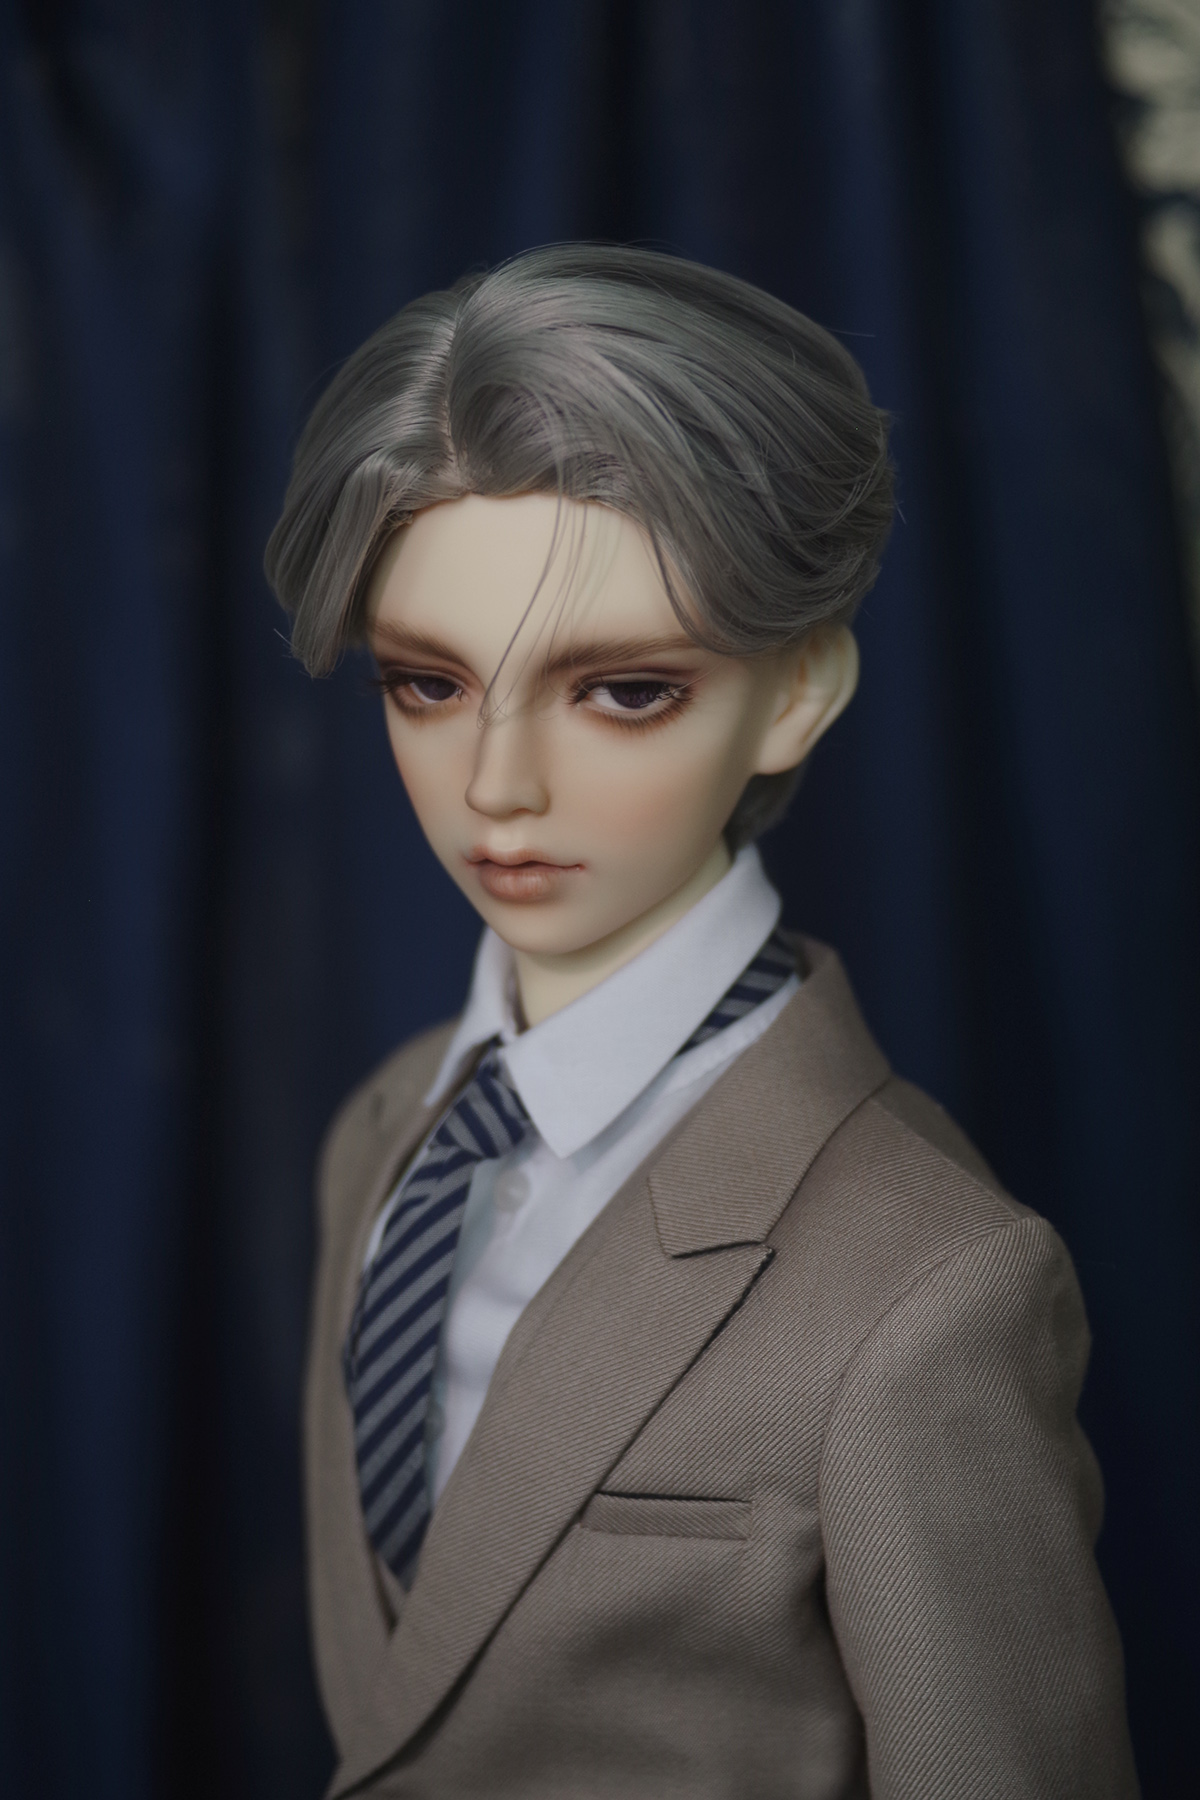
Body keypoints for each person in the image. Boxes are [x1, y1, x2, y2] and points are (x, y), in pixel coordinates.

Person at [265, 244, 1138, 1799]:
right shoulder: (384, 1134)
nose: (497, 787)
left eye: (623, 691)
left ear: (796, 689)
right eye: (426, 685)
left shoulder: (927, 1285)